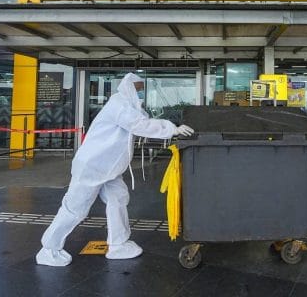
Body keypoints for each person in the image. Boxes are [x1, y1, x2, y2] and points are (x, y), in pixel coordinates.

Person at [36, 73, 194, 266]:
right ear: (129, 87)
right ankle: (49, 248)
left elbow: (140, 122)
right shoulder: (119, 105)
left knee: (118, 197)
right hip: (93, 166)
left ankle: (118, 244)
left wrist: (169, 128)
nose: (141, 94)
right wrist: (172, 129)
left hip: (107, 168)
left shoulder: (126, 106)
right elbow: (139, 125)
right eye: (138, 89)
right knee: (75, 207)